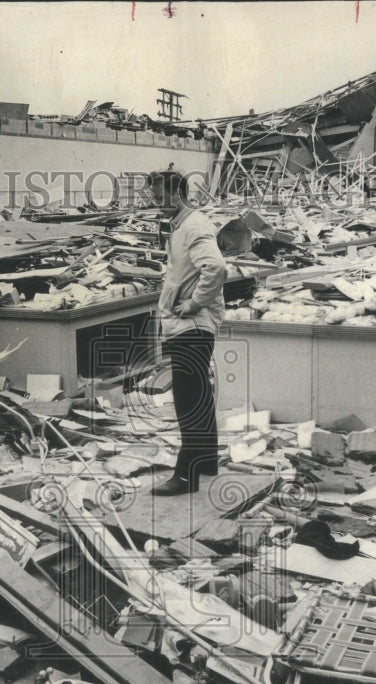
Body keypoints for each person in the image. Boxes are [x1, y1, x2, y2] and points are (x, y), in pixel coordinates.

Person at [146, 170, 227, 496]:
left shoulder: (193, 225)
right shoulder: (182, 224)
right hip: (186, 325)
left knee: (187, 400)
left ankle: (185, 475)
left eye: (159, 198)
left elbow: (217, 267)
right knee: (199, 393)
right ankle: (206, 461)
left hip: (192, 325)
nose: (155, 204)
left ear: (177, 195)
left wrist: (194, 303)